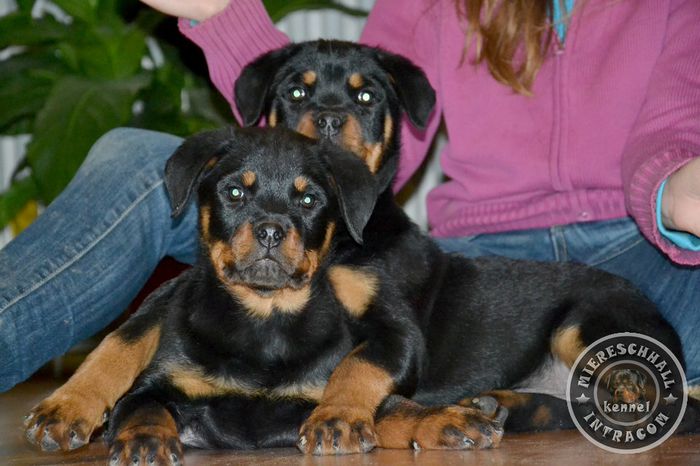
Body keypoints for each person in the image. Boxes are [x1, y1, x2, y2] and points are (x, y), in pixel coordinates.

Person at [1, 0, 698, 394]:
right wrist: (221, 14)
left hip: (647, 251)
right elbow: (344, 139)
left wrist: (675, 193)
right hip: (475, 267)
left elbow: (670, 130)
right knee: (134, 160)